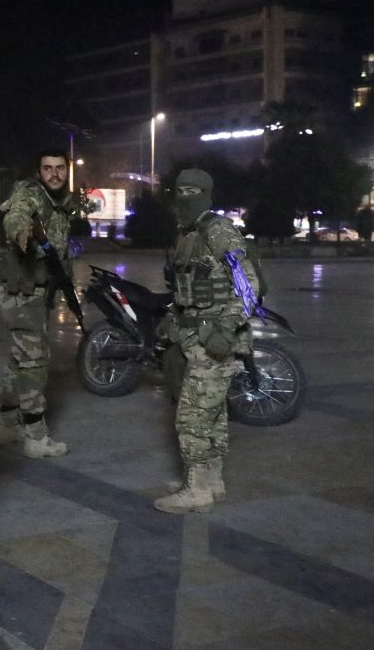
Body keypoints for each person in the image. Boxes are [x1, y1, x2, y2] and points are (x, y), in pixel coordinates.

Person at [154, 168, 257, 513]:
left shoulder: (218, 230)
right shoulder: (188, 234)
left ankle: (196, 490)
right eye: (180, 191)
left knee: (192, 417)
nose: (185, 198)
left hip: (215, 341)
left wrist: (227, 329)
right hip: (194, 338)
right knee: (212, 414)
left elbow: (248, 285)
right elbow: (187, 289)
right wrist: (172, 318)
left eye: (193, 191)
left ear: (207, 194)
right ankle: (211, 481)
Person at [0, 148, 77, 458]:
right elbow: (17, 213)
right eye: (47, 168)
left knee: (19, 358)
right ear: (38, 172)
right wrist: (20, 231)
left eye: (59, 168)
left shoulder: (59, 202)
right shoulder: (31, 193)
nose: (54, 173)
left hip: (37, 291)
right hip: (22, 291)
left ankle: (6, 425)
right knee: (34, 361)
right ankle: (36, 436)